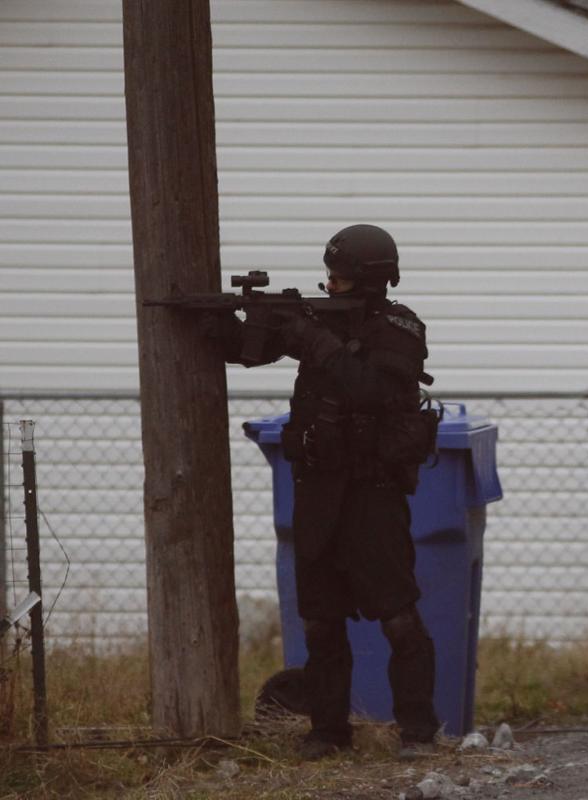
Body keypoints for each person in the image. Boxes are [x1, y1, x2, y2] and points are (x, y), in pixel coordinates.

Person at [206, 224, 440, 759]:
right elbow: (244, 352)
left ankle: (419, 733)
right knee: (320, 620)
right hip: (317, 490)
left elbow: (378, 390)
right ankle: (329, 732)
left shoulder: (398, 328)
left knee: (399, 617)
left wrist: (316, 341)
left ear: (367, 282)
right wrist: (231, 320)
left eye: (337, 279)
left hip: (372, 494)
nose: (328, 287)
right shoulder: (317, 322)